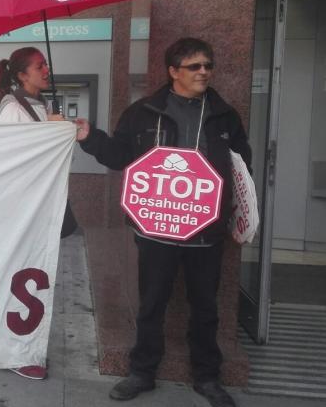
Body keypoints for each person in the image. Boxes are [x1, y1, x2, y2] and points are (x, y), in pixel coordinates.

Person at [74, 38, 251, 407]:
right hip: (156, 231)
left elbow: (240, 168)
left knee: (205, 307)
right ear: (173, 72)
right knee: (151, 302)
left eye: (208, 65)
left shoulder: (224, 116)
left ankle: (207, 377)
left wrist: (238, 217)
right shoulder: (143, 112)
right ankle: (142, 372)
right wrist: (89, 137)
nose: (204, 72)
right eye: (194, 66)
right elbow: (121, 155)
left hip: (207, 233)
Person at [0, 46, 65, 381]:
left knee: (34, 278)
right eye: (39, 66)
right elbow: (11, 158)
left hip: (39, 205)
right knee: (20, 278)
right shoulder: (13, 108)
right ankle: (16, 350)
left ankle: (26, 345)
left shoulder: (39, 105)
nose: (46, 69)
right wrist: (47, 131)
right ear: (22, 75)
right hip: (21, 209)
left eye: (46, 63)